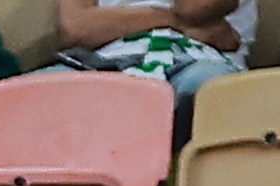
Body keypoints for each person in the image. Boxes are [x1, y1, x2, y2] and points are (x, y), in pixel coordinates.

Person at [40, 0, 250, 111]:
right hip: (103, 63)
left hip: (196, 59)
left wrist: (119, 22)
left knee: (204, 87)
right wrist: (172, 22)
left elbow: (196, 7)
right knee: (34, 93)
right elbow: (76, 28)